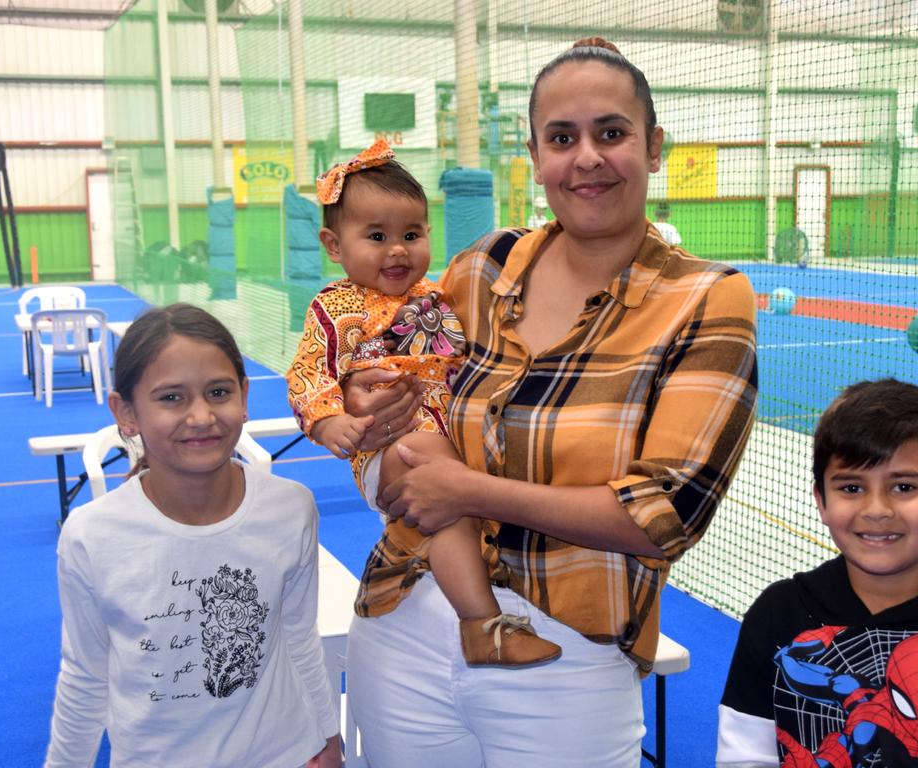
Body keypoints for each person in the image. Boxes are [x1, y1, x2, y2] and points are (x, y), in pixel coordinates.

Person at [340, 37, 759, 767]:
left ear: (654, 147)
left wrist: (465, 489)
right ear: (536, 156)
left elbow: (665, 514)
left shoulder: (707, 298)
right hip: (403, 617)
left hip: (565, 653)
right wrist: (362, 400)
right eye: (562, 138)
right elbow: (396, 404)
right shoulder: (481, 266)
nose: (587, 158)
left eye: (612, 132)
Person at [286, 141, 561, 668]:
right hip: (389, 444)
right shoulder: (332, 307)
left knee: (467, 495)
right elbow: (307, 372)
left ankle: (439, 576)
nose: (397, 250)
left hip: (442, 434)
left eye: (411, 234)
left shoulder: (434, 296)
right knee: (450, 495)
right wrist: (330, 422)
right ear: (333, 244)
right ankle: (482, 624)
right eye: (376, 236)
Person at [45, 303, 341, 768]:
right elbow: (85, 674)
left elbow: (299, 635)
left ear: (244, 397)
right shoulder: (92, 536)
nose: (201, 416)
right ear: (126, 412)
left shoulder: (290, 508)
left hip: (286, 753)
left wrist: (327, 736)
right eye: (171, 398)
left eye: (218, 392)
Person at [717, 378, 918, 768]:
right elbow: (746, 756)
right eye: (852, 488)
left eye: (903, 486)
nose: (877, 508)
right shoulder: (778, 613)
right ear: (822, 501)